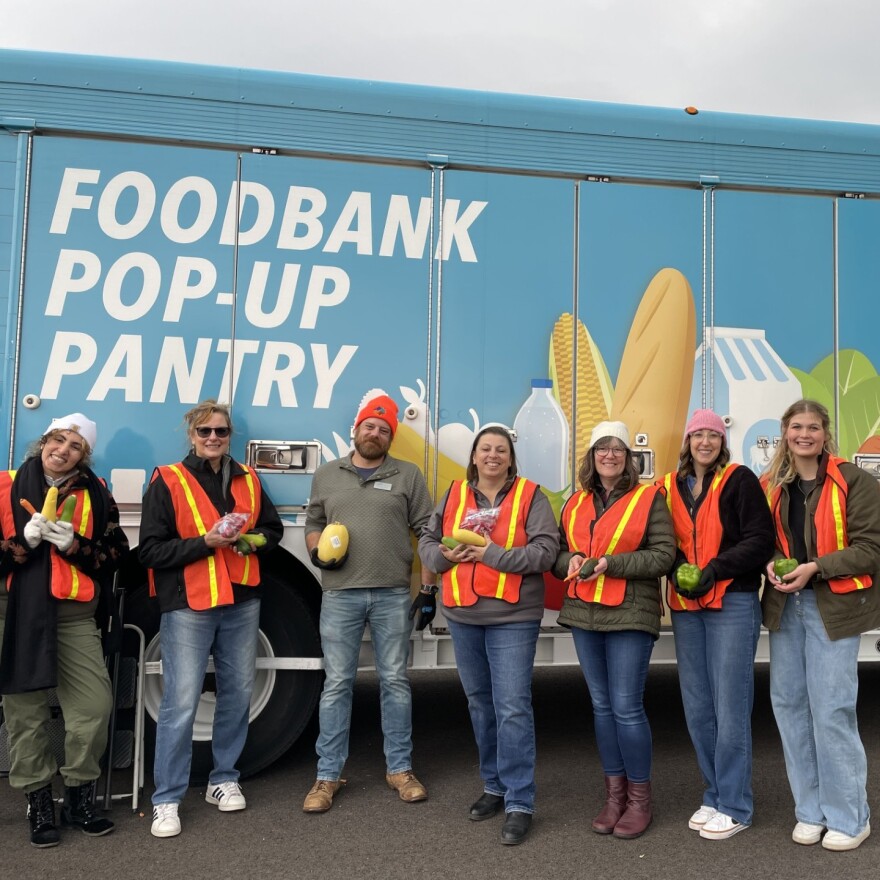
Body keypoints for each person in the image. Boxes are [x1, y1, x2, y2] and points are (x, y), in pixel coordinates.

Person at [139, 400, 283, 839]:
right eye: (205, 432)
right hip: (190, 602)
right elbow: (150, 551)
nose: (214, 439)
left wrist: (251, 541)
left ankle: (223, 779)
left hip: (241, 599)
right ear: (192, 435)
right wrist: (204, 542)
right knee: (180, 702)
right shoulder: (168, 479)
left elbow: (273, 530)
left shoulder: (249, 478)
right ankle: (167, 798)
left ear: (229, 434)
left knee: (237, 693)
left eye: (221, 432)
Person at [417, 426, 558, 845]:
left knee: (512, 706)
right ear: (474, 457)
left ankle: (519, 800)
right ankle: (494, 785)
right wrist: (442, 555)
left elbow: (546, 552)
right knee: (480, 703)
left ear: (511, 459)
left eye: (501, 450)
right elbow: (426, 540)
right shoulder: (454, 494)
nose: (493, 456)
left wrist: (489, 554)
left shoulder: (532, 496)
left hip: (513, 614)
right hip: (462, 612)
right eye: (485, 450)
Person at [0, 413, 129, 847]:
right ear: (44, 442)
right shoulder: (5, 485)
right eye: (59, 440)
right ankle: (38, 804)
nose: (64, 450)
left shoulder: (97, 494)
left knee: (93, 709)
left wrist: (75, 545)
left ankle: (77, 796)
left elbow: (115, 555)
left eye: (76, 446)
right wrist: (24, 543)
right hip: (16, 614)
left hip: (74, 615)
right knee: (26, 715)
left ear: (84, 455)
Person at [302, 391, 434, 814]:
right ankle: (327, 776)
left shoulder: (408, 475)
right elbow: (313, 522)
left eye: (383, 429)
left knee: (394, 681)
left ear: (390, 437)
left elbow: (427, 534)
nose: (374, 433)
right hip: (340, 594)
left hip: (392, 593)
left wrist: (427, 591)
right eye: (369, 426)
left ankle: (400, 769)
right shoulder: (327, 474)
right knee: (337, 683)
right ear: (356, 430)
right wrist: (315, 551)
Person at [761, 398, 880, 852]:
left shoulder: (854, 480)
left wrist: (815, 567)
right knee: (790, 707)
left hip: (835, 609)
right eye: (796, 427)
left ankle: (850, 815)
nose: (804, 434)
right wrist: (773, 565)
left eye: (812, 427)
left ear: (825, 433)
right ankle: (810, 811)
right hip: (786, 609)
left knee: (831, 710)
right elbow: (765, 542)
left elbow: (871, 548)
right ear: (785, 433)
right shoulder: (772, 483)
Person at [552, 420, 674, 840]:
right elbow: (557, 550)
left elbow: (663, 556)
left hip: (629, 612)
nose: (609, 455)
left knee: (626, 707)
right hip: (584, 611)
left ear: (629, 457)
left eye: (617, 448)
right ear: (591, 456)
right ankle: (614, 796)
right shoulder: (575, 502)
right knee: (602, 707)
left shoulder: (649, 497)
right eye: (602, 448)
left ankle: (640, 800)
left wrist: (611, 563)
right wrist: (566, 560)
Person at [661, 409, 775, 840]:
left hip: (732, 599)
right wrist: (677, 571)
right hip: (687, 604)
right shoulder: (670, 486)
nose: (705, 441)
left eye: (713, 434)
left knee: (730, 706)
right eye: (698, 434)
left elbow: (759, 539)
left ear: (722, 442)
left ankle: (736, 804)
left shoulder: (739, 480)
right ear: (687, 441)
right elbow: (661, 540)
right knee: (699, 706)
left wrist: (715, 568)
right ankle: (714, 793)